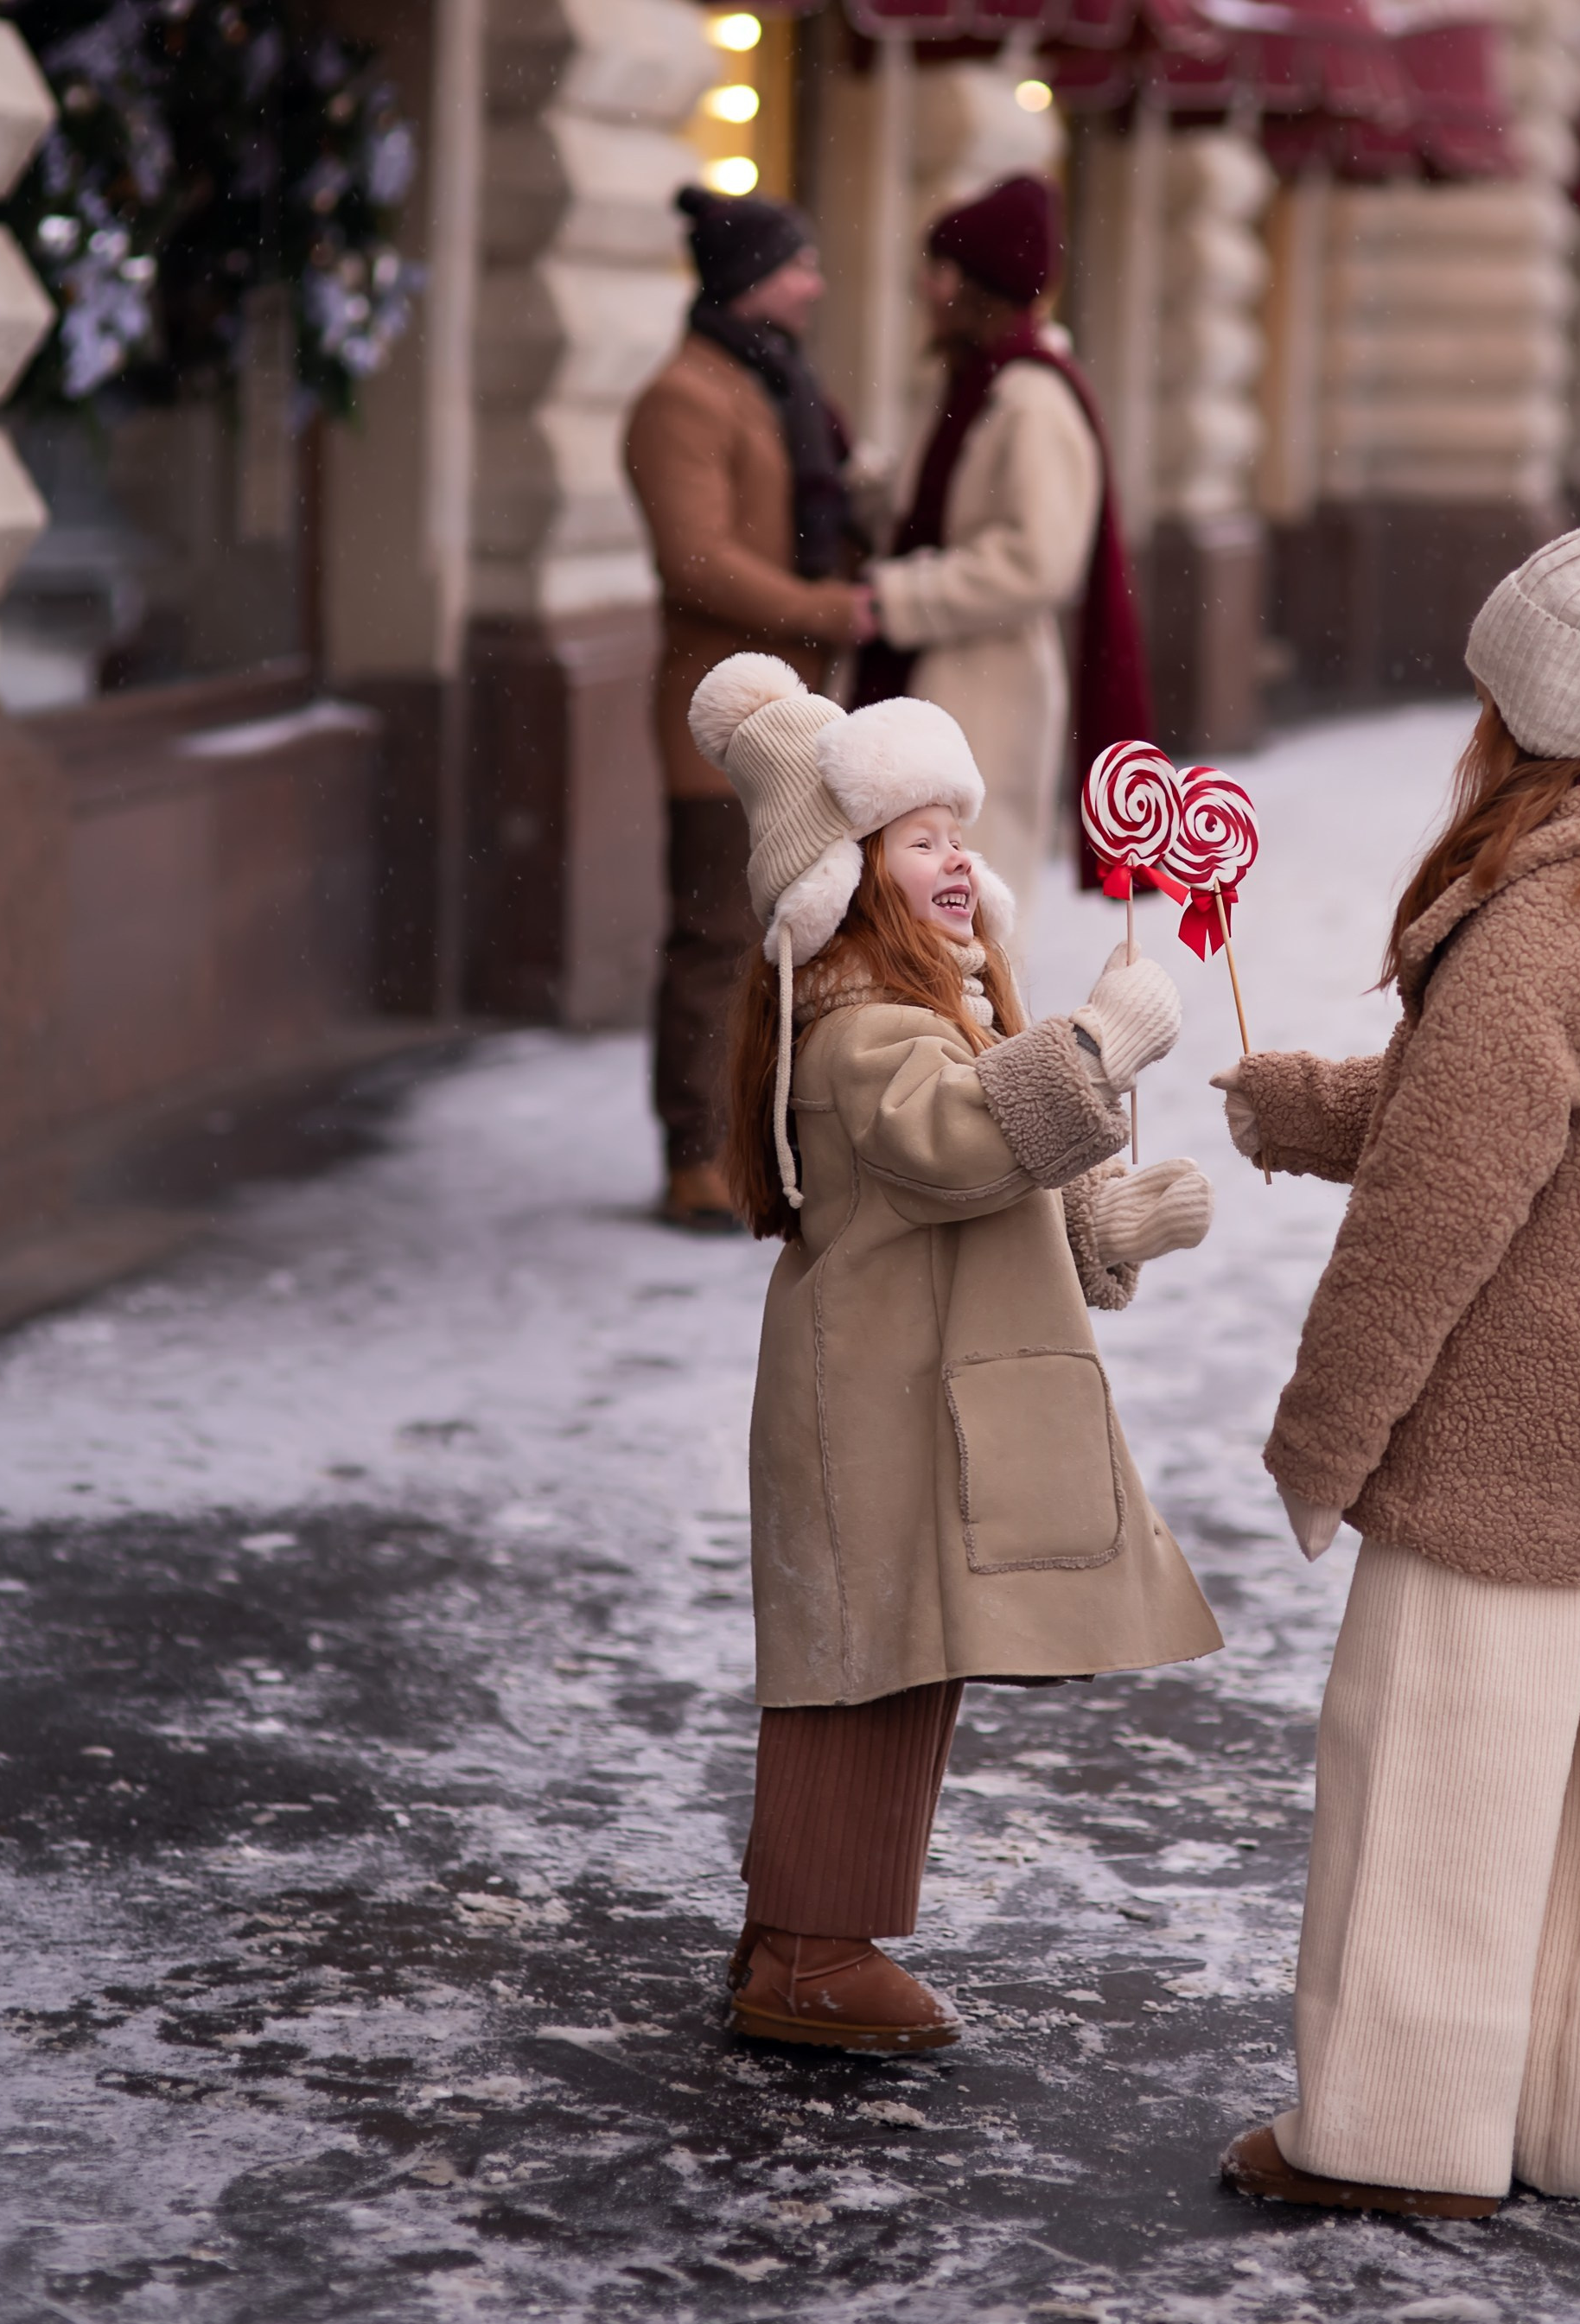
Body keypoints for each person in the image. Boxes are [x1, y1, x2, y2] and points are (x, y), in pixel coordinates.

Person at [1210, 453, 1580, 2219]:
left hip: (1499, 1422)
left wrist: (1322, 1441)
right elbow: (1513, 1128)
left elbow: (1432, 1227)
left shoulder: (1544, 929)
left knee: (1428, 1775)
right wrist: (1307, 1102)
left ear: (1529, 711)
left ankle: (1387, 2132)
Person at [690, 648, 1221, 2051]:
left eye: (958, 835)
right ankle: (808, 1950)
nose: (954, 858)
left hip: (916, 1399)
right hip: (871, 1406)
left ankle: (798, 1921)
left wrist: (1115, 1226)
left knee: (896, 1658)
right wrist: (1101, 1044)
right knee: (860, 1660)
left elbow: (1000, 1176)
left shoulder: (920, 1010)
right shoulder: (861, 1031)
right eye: (920, 837)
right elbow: (963, 1144)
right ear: (848, 873)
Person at [624, 187, 863, 1231]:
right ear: (751, 277)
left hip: (798, 706)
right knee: (718, 931)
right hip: (717, 718)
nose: (815, 283)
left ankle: (760, 1143)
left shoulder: (774, 382)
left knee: (785, 933)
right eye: (798, 264)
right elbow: (699, 560)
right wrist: (827, 606)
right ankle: (694, 1152)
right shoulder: (684, 396)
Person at [854, 172, 1153, 947]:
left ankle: (974, 1070)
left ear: (977, 285)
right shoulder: (972, 385)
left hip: (988, 684)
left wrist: (896, 596)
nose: (925, 286)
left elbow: (1037, 560)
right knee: (911, 917)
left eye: (941, 269)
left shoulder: (1029, 397)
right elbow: (940, 506)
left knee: (967, 922)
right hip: (940, 678)